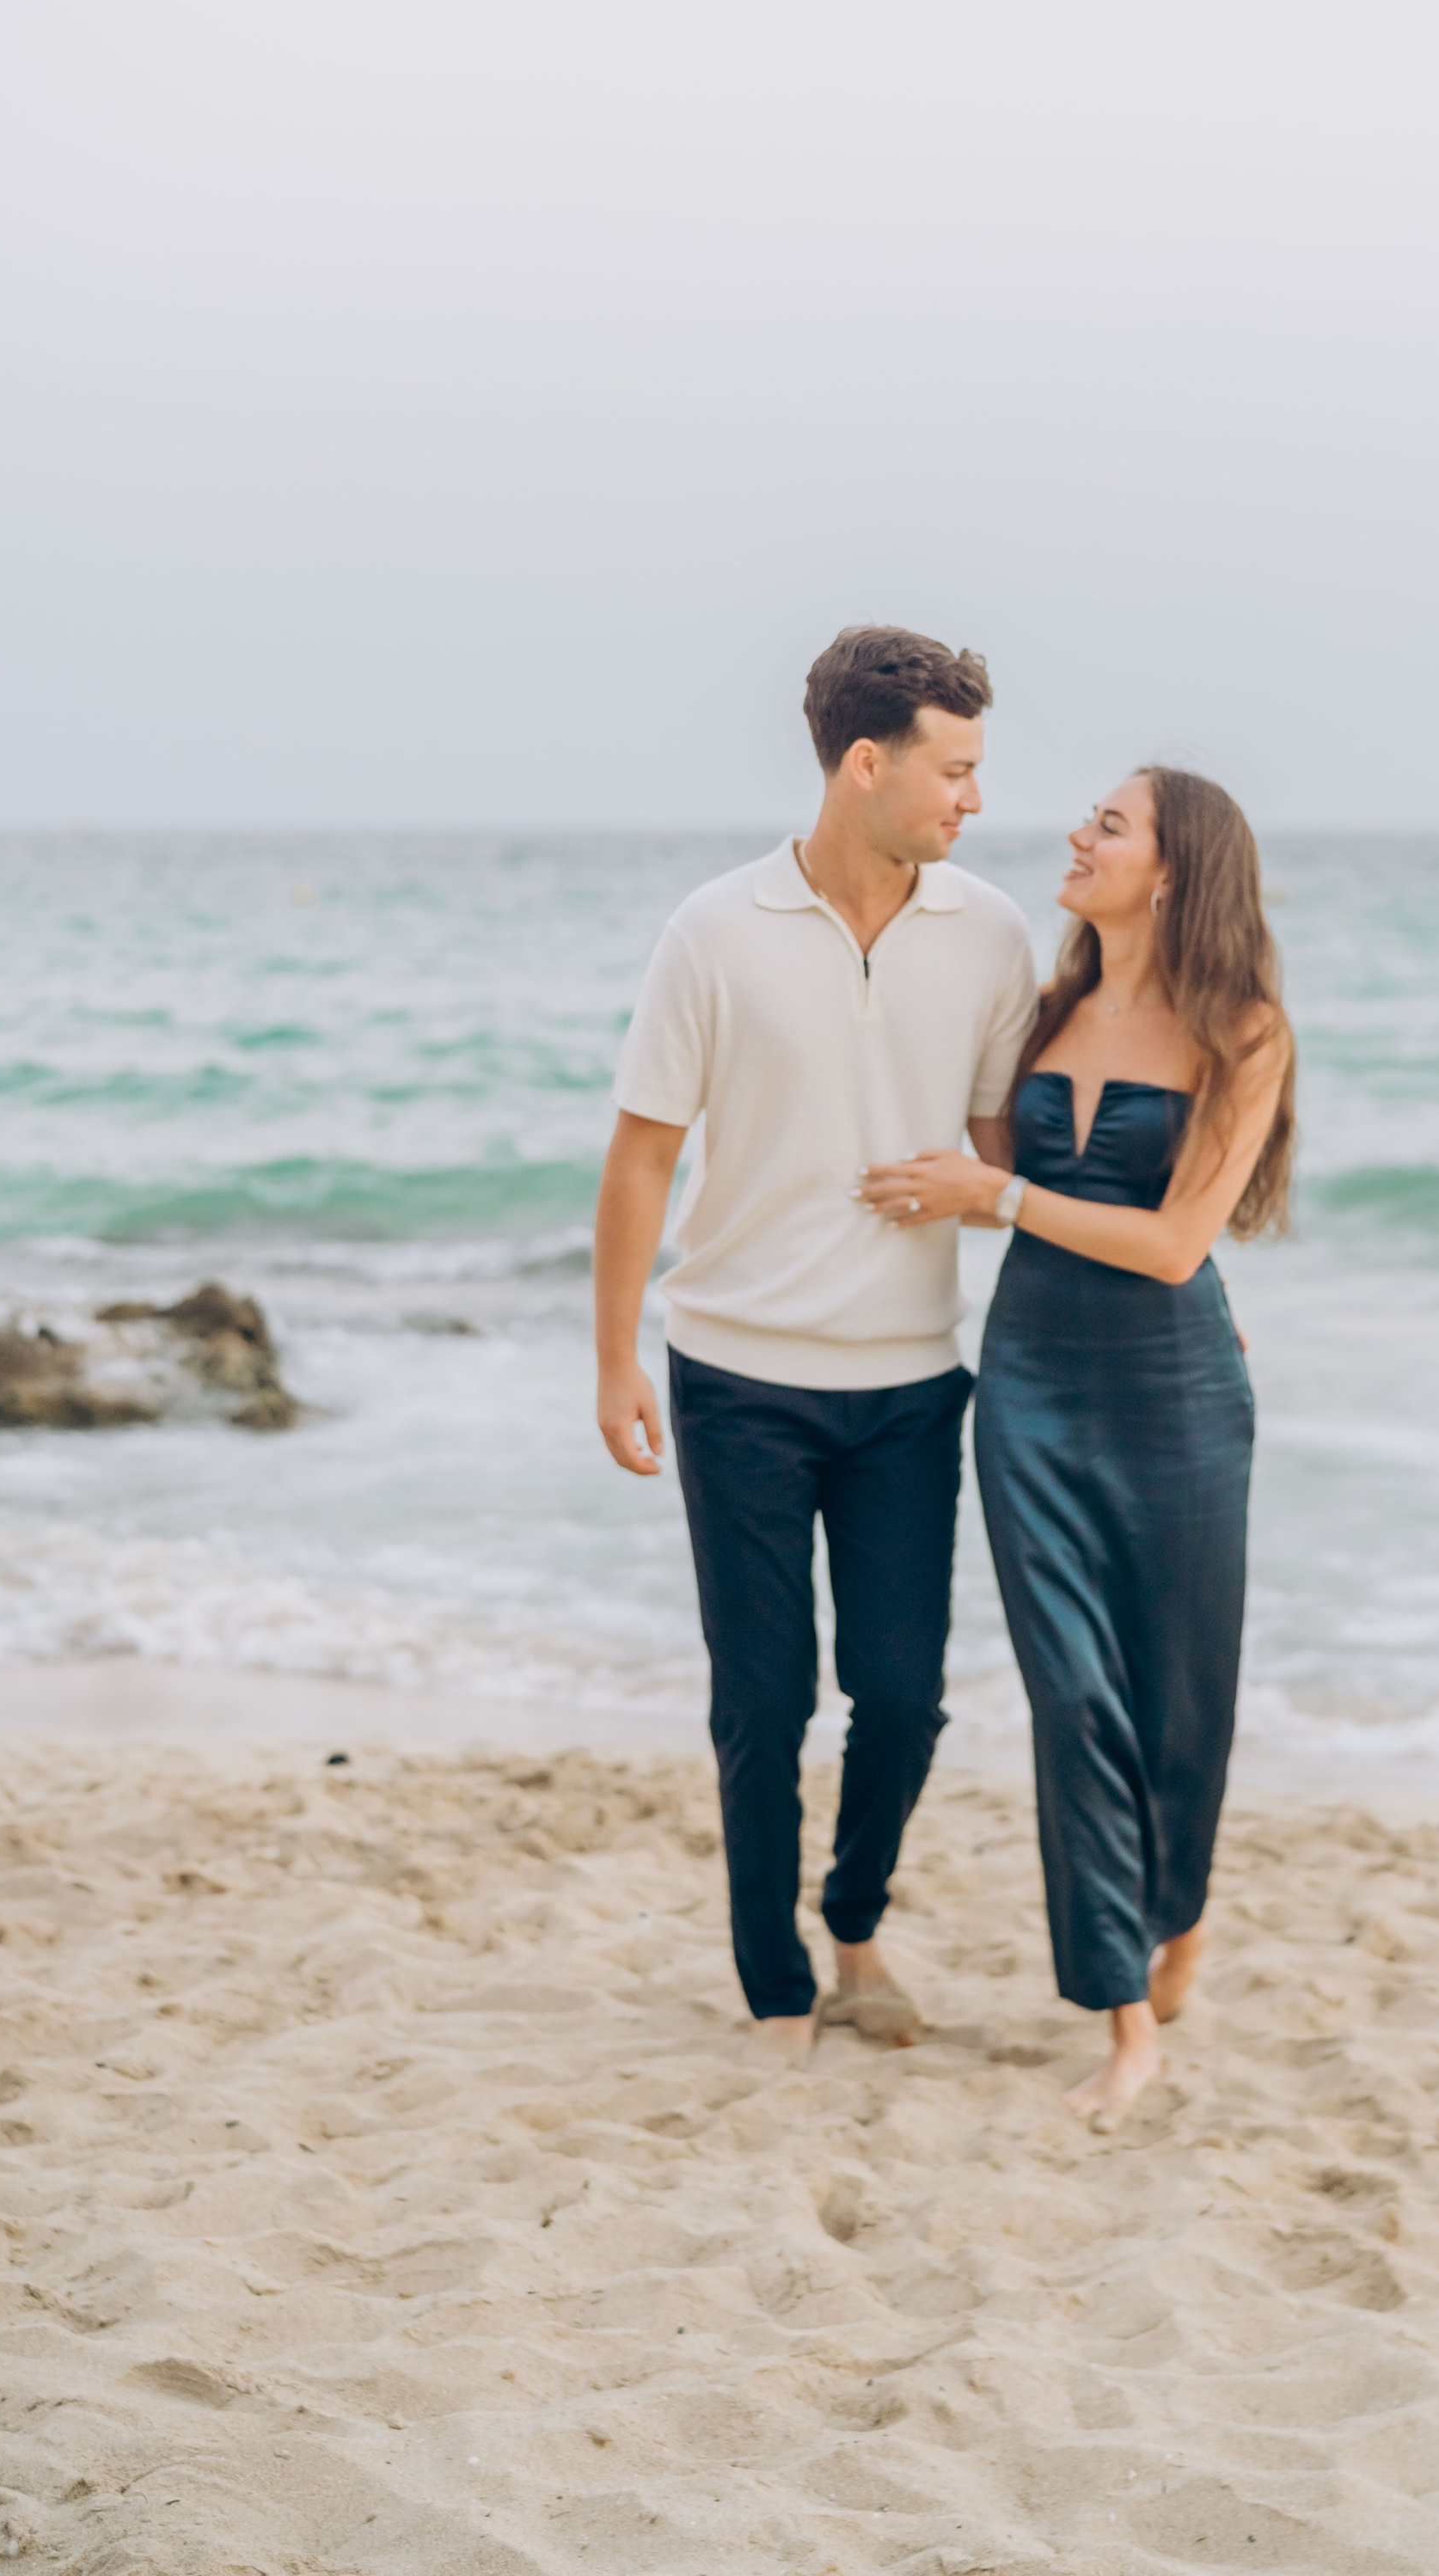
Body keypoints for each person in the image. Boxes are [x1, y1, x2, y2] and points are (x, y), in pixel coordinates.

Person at [593, 627, 1038, 2057]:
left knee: (902, 1696)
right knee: (764, 1699)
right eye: (954, 769)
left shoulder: (989, 932)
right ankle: (777, 1984)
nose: (974, 799)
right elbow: (641, 1160)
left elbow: (999, 1153)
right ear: (867, 764)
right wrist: (614, 1365)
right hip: (736, 1379)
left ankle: (854, 1925)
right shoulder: (714, 931)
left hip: (910, 1382)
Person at [860, 766, 1293, 2125]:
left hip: (1177, 1393)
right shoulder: (1046, 1012)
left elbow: (1172, 1246)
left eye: (1109, 824)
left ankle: (1181, 1916)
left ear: (1171, 870)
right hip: (1034, 1385)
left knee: (1179, 1698)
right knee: (1074, 1699)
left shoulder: (1245, 1032)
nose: (1077, 834)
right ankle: (1123, 2024)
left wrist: (999, 1192)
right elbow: (984, 1173)